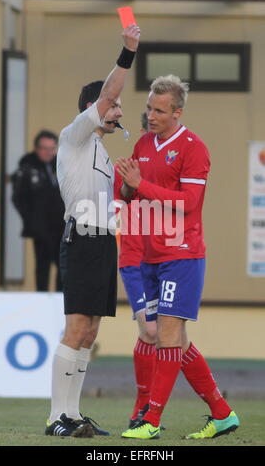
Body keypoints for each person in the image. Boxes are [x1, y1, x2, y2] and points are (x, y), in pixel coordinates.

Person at [117, 75, 240, 440]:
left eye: (159, 110)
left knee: (167, 333)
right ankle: (222, 413)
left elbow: (189, 204)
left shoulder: (192, 147)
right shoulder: (142, 143)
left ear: (177, 112)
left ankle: (151, 420)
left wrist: (141, 186)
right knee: (177, 342)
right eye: (148, 108)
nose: (151, 115)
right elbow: (130, 196)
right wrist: (127, 185)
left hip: (182, 253)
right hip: (151, 255)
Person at [45, 24, 140, 438]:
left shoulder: (100, 150)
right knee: (76, 328)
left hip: (103, 241)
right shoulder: (76, 135)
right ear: (94, 107)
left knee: (92, 331)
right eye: (114, 105)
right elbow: (106, 95)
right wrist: (128, 52)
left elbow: (111, 204)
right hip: (80, 238)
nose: (119, 111)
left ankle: (74, 414)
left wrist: (131, 189)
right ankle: (56, 418)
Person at [115, 113, 160, 429]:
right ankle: (141, 406)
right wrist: (136, 179)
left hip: (162, 262)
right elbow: (124, 196)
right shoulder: (130, 166)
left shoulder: (169, 168)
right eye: (149, 131)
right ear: (143, 133)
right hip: (134, 262)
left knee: (159, 335)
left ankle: (143, 411)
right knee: (150, 331)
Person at [12, 130, 64, 291]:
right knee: (42, 268)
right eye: (44, 148)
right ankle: (42, 306)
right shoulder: (27, 168)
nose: (48, 152)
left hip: (61, 227)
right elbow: (18, 198)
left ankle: (60, 305)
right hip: (40, 229)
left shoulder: (60, 165)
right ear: (36, 148)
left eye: (52, 148)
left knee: (63, 267)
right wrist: (32, 222)